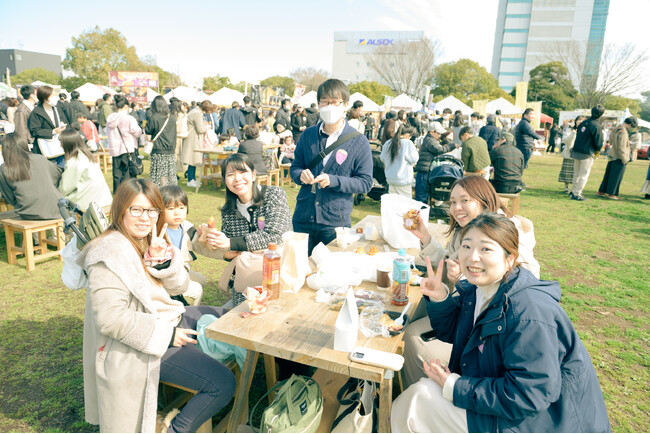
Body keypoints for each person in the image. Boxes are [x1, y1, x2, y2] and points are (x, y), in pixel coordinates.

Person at [392, 213, 610, 433]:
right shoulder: (481, 290)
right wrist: (439, 297)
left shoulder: (529, 311)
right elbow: (453, 332)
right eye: (466, 246)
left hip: (546, 422)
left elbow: (530, 394)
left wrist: (456, 386)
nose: (472, 257)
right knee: (422, 394)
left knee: (418, 400)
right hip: (512, 406)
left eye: (486, 249)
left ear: (510, 258)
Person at [80, 179, 236, 433]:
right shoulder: (108, 254)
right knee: (222, 383)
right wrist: (168, 335)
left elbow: (179, 288)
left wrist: (163, 262)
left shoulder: (142, 239)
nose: (146, 218)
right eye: (136, 210)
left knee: (229, 319)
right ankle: (174, 429)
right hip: (141, 346)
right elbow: (110, 319)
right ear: (120, 209)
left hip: (168, 318)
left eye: (152, 210)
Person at [400, 175, 539, 389]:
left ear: (484, 200)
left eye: (465, 200)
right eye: (453, 202)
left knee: (410, 333)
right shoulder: (466, 230)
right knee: (411, 313)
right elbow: (450, 259)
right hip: (467, 313)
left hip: (491, 332)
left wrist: (465, 278)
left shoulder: (506, 232)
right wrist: (425, 237)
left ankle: (425, 392)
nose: (457, 207)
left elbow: (518, 283)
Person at [289, 79, 373, 254]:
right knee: (299, 270)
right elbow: (295, 167)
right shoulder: (308, 135)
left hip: (335, 222)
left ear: (346, 105)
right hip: (303, 217)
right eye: (325, 102)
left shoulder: (359, 141)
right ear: (318, 105)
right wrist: (300, 175)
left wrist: (333, 180)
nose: (329, 107)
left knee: (333, 273)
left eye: (334, 102)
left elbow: (365, 182)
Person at [200, 153, 292, 306]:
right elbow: (230, 253)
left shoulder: (274, 195)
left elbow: (276, 236)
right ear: (225, 181)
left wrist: (231, 243)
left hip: (279, 276)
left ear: (254, 175)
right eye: (230, 174)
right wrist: (211, 239)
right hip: (246, 283)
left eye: (243, 172)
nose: (237, 179)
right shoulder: (228, 210)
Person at [0, 133, 62, 220]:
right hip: (56, 209)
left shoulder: (4, 168)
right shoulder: (40, 158)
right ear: (24, 144)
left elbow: (10, 198)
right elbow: (58, 174)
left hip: (27, 212)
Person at [161, 185, 205, 306]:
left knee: (202, 280)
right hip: (166, 277)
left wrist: (203, 237)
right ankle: (187, 313)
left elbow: (200, 245)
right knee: (197, 289)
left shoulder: (186, 227)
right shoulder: (159, 232)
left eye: (181, 207)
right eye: (170, 208)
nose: (177, 213)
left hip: (182, 271)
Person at [58, 128, 112, 209]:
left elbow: (64, 189)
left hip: (89, 202)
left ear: (67, 144)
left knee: (57, 201)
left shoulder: (74, 161)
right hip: (104, 199)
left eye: (61, 143)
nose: (60, 145)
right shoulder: (87, 155)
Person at [106, 94, 142, 192]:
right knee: (128, 173)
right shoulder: (129, 118)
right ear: (126, 106)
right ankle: (128, 192)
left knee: (117, 173)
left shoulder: (110, 119)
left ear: (116, 106)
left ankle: (117, 192)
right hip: (127, 148)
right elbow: (138, 132)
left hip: (115, 149)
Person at [414, 122, 458, 203]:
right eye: (438, 133)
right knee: (421, 196)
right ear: (431, 132)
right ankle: (419, 214)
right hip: (424, 172)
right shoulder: (429, 140)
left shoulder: (431, 140)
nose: (440, 135)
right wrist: (453, 146)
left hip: (425, 171)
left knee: (424, 195)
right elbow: (439, 150)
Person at [596, 116, 638, 200]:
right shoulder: (623, 132)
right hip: (619, 156)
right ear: (630, 124)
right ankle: (612, 194)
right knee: (616, 176)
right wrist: (624, 158)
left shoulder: (616, 128)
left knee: (608, 175)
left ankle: (601, 191)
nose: (631, 128)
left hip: (612, 154)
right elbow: (621, 147)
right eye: (631, 126)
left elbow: (610, 141)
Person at [27, 85, 68, 168]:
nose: (55, 97)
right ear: (45, 98)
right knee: (49, 172)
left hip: (60, 146)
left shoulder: (57, 110)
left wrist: (63, 126)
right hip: (45, 149)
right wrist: (52, 132)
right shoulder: (36, 112)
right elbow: (34, 131)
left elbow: (66, 122)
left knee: (61, 170)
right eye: (52, 95)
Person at [570, 104, 605, 201]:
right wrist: (598, 150)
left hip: (577, 151)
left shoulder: (583, 123)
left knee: (576, 174)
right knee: (583, 175)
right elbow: (598, 142)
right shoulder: (597, 125)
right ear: (601, 114)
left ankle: (573, 192)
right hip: (587, 153)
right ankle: (577, 193)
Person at [146, 95, 177, 188]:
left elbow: (148, 130)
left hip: (158, 149)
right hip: (170, 149)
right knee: (169, 173)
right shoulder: (171, 117)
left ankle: (160, 190)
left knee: (158, 174)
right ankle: (170, 191)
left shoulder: (154, 117)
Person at [379, 124, 418, 198]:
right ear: (407, 135)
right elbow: (414, 159)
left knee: (394, 204)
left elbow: (382, 158)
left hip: (391, 178)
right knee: (405, 204)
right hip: (403, 179)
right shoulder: (408, 143)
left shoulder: (388, 143)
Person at [182, 100, 211, 188]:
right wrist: (207, 127)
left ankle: (193, 179)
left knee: (193, 160)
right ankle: (190, 180)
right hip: (193, 139)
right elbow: (200, 129)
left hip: (192, 138)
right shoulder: (197, 113)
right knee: (192, 160)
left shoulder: (195, 111)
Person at [558, 116, 586, 194]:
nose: (580, 121)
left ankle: (575, 188)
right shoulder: (570, 129)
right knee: (567, 171)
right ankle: (566, 187)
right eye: (579, 120)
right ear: (576, 121)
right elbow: (565, 140)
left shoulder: (585, 130)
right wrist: (573, 133)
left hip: (580, 153)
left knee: (577, 173)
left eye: (582, 120)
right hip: (569, 153)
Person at [172, 99, 189, 174]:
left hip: (174, 137)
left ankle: (175, 171)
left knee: (175, 155)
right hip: (183, 136)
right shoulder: (183, 115)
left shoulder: (172, 115)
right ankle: (185, 170)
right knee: (182, 155)